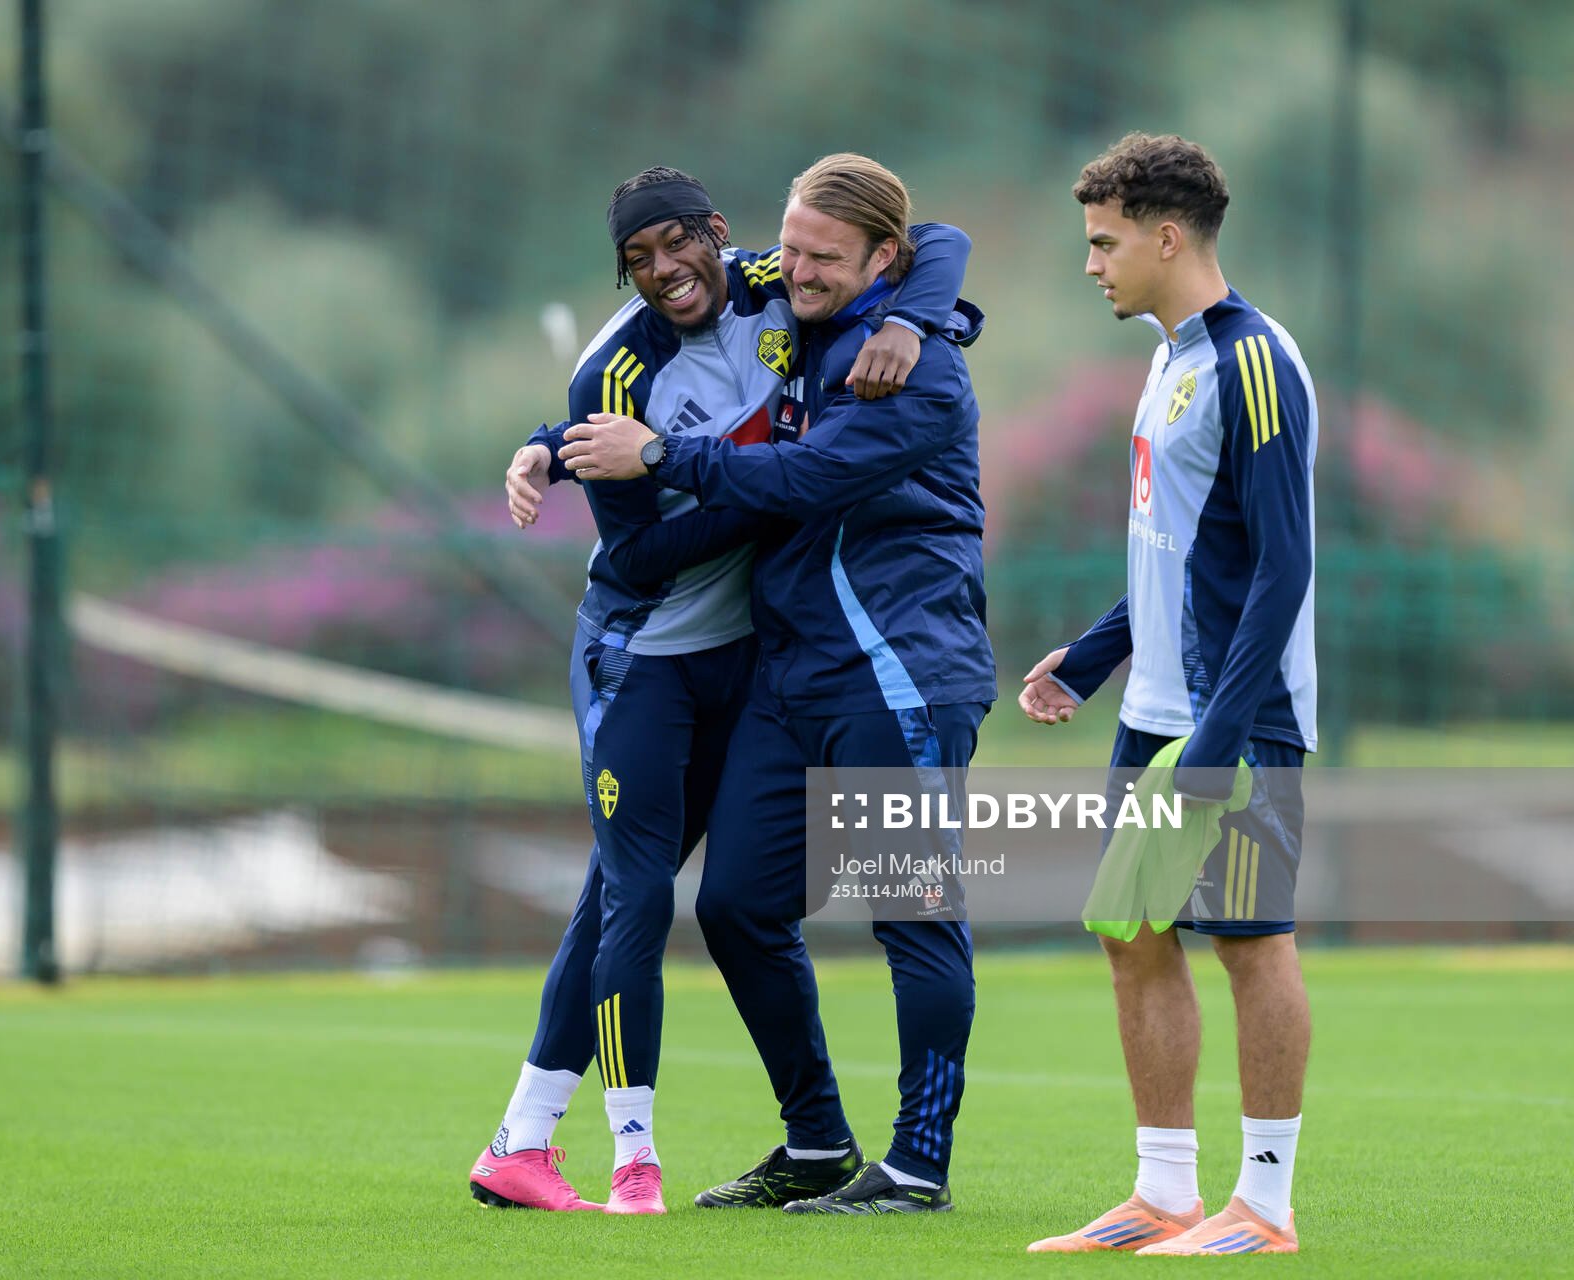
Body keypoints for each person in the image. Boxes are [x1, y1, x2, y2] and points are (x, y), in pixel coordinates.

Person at [472, 165, 971, 1214]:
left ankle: (918, 1164)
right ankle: (815, 1139)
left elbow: (799, 478)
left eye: (822, 258)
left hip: (895, 673)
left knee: (909, 911)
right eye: (790, 252)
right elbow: (642, 499)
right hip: (761, 670)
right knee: (727, 902)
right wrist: (554, 448)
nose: (794, 274)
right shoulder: (799, 309)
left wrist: (662, 452)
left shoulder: (909, 367)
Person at [1020, 133, 1316, 1256]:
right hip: (1155, 706)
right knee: (1134, 933)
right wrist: (1091, 656)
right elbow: (1179, 548)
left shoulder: (1255, 362)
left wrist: (1221, 732)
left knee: (1251, 940)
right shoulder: (1168, 356)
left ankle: (1268, 1205)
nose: (1092, 263)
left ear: (1167, 235)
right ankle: (1165, 1193)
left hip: (1239, 717)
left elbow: (1280, 568)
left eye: (1103, 242)